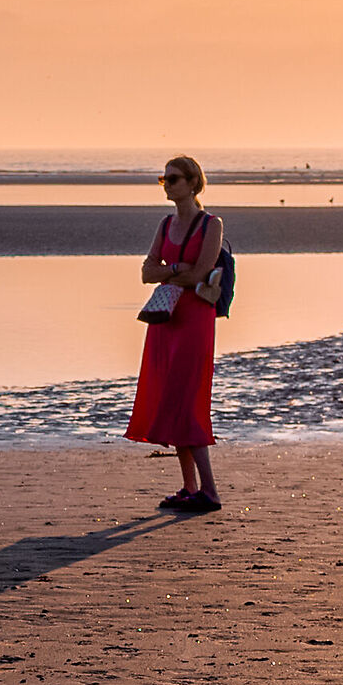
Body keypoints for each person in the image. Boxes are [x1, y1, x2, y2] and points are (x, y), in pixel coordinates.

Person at [125, 155, 223, 511]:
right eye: (164, 179)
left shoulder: (211, 225)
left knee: (187, 399)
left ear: (194, 183)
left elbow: (202, 273)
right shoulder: (165, 224)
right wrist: (177, 271)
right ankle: (189, 487)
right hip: (165, 318)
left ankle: (209, 491)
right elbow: (146, 272)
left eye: (175, 178)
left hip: (195, 321)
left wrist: (173, 269)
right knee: (171, 397)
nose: (168, 184)